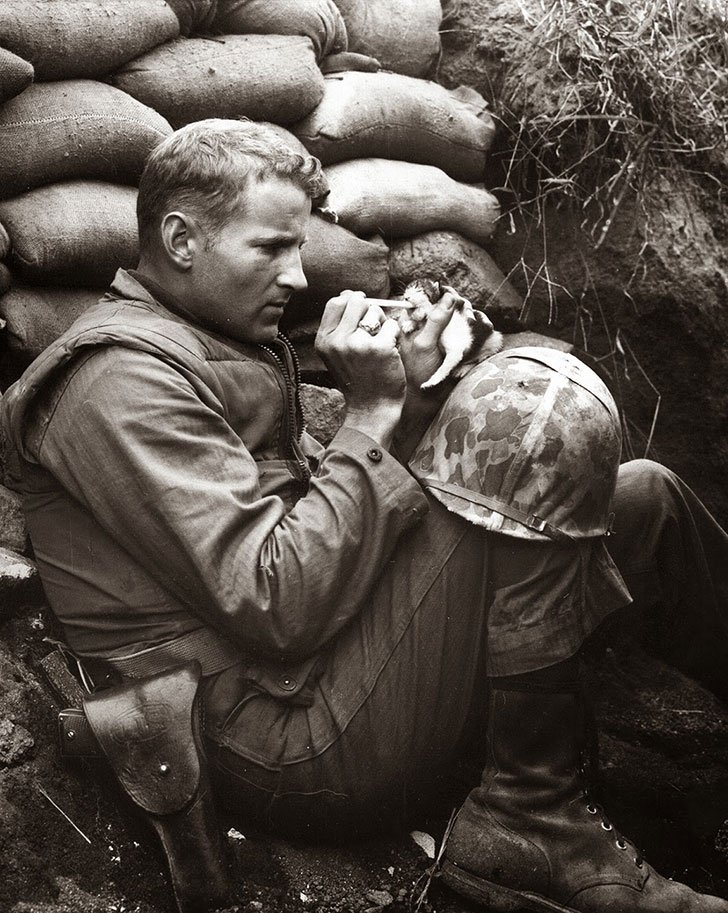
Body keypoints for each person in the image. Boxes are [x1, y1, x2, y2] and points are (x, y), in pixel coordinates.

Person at [3, 118, 728, 913]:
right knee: (528, 414)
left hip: (329, 668)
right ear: (180, 238)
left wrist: (411, 405)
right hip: (283, 739)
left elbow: (335, 533)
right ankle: (531, 818)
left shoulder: (205, 344)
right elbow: (276, 603)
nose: (297, 275)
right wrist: (374, 414)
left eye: (299, 247)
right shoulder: (115, 384)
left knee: (645, 500)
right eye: (269, 248)